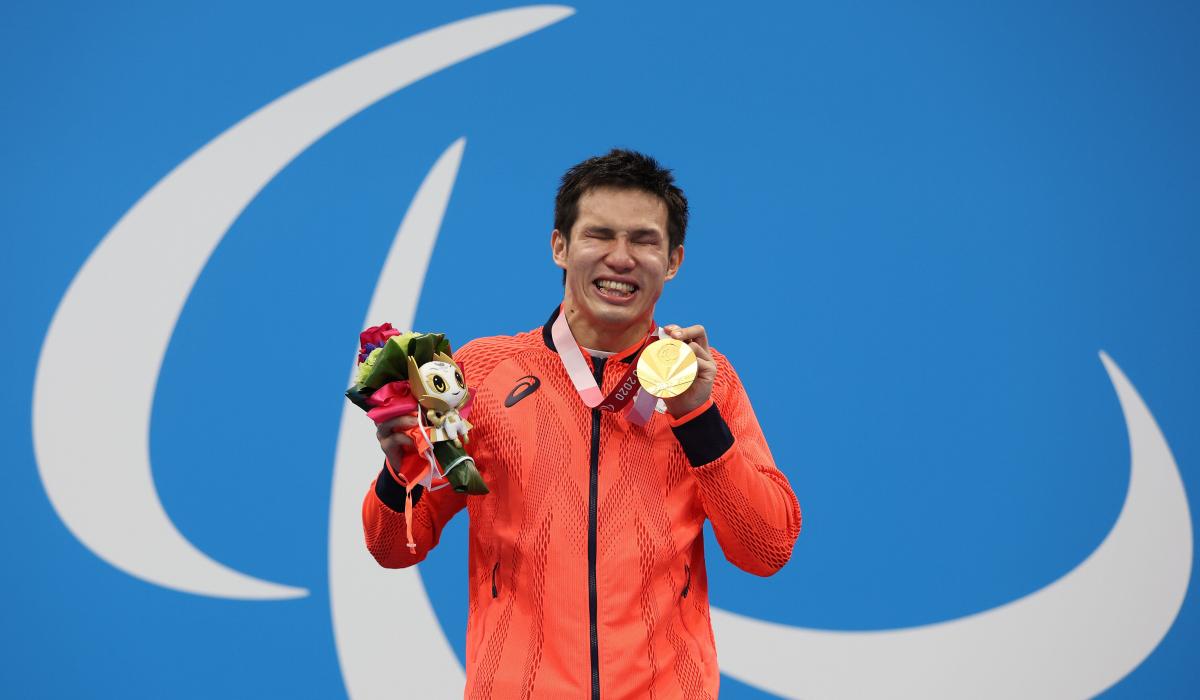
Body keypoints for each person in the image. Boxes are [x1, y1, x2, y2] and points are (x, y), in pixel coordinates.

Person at [362, 149, 801, 699]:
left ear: (673, 261)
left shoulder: (709, 383)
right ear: (560, 248)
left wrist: (697, 417)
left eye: (644, 240)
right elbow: (393, 546)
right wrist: (401, 467)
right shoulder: (483, 372)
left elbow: (766, 549)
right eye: (599, 236)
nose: (621, 258)